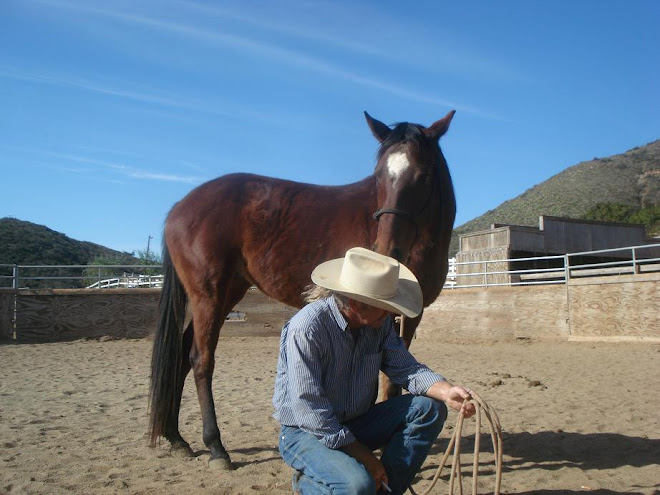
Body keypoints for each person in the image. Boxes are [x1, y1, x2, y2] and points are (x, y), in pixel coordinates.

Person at [273, 247, 476, 495]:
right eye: (385, 305)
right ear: (357, 304)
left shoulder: (378, 325)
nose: (392, 312)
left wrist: (446, 391)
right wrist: (367, 458)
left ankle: (384, 490)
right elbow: (310, 409)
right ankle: (309, 485)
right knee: (357, 485)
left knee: (430, 408)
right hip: (305, 433)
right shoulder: (307, 329)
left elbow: (406, 368)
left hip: (355, 423)